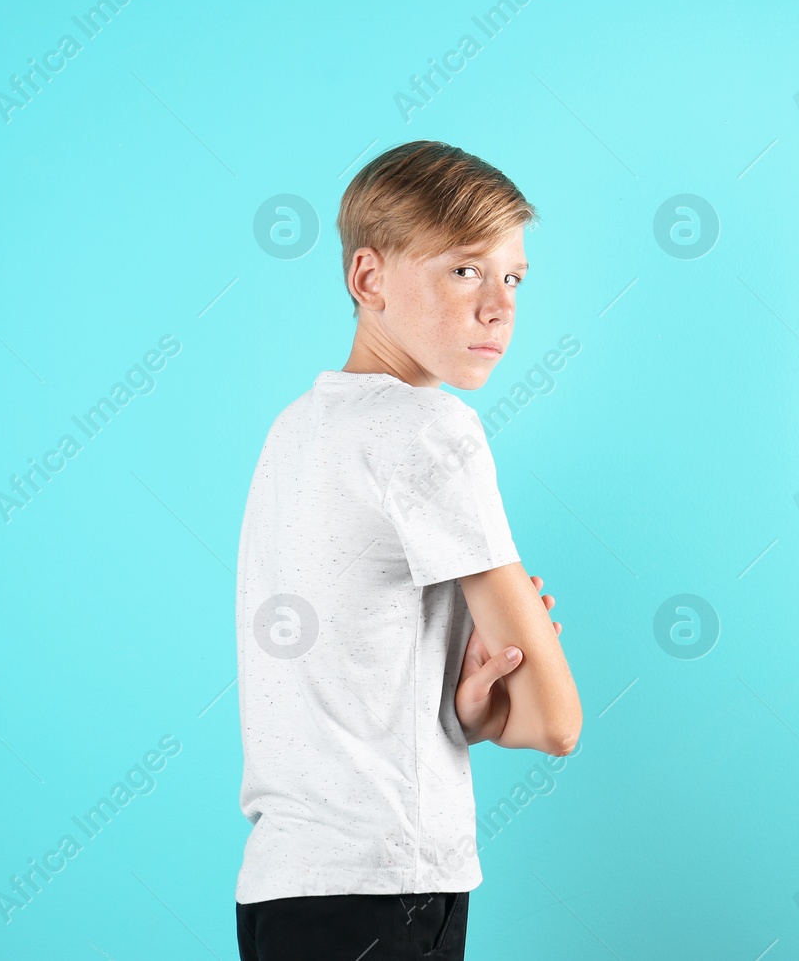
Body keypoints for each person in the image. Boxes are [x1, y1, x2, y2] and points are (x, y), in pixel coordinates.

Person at [233, 140, 582, 960]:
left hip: (281, 890)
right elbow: (556, 721)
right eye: (465, 270)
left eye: (515, 277)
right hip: (388, 890)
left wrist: (464, 706)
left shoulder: (295, 430)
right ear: (369, 278)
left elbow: (351, 680)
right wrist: (514, 697)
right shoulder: (430, 430)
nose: (500, 306)